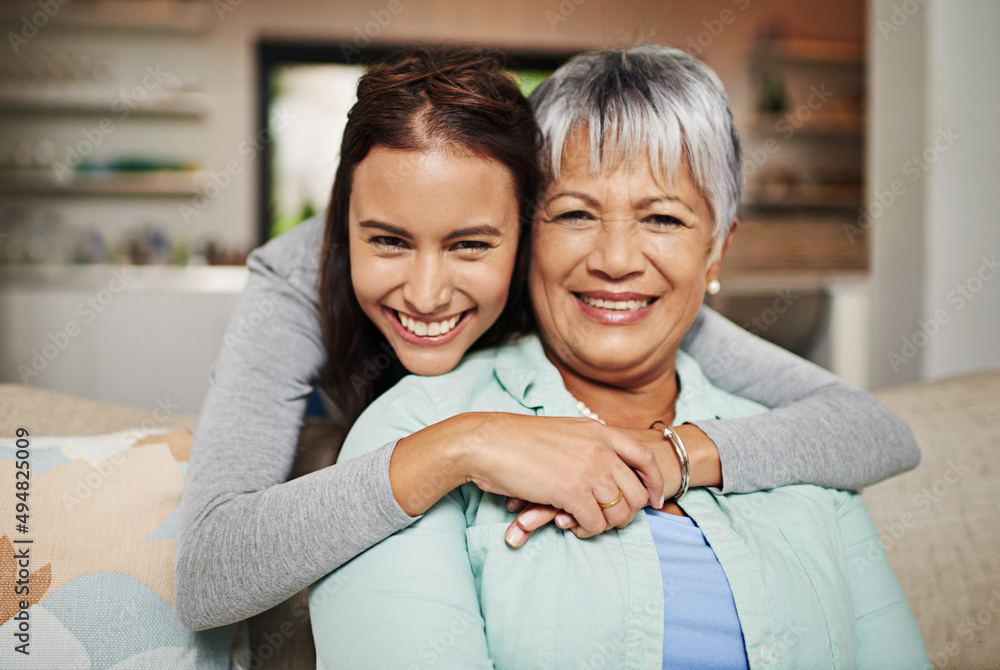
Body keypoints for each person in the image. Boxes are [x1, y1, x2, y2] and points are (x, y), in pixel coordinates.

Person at [175, 45, 920, 632]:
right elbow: (209, 573)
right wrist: (463, 443)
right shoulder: (297, 276)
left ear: (527, 224)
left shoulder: (582, 284)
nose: (429, 292)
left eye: (471, 244)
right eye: (389, 241)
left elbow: (869, 427)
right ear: (343, 224)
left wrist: (673, 455)